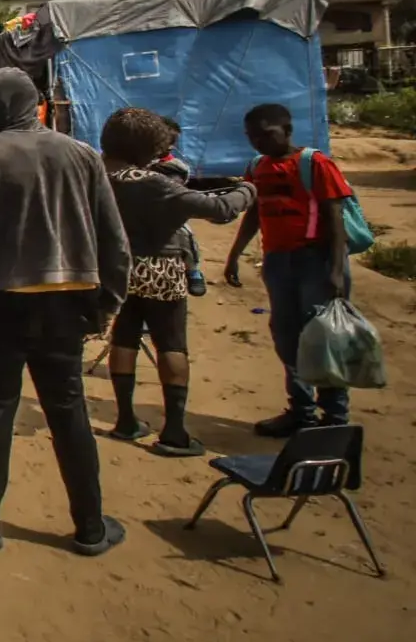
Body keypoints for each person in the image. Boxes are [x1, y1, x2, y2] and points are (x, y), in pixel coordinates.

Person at [0, 68, 131, 556]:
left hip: (1, 302)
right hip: (69, 300)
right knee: (69, 412)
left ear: (2, 109)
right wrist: (107, 303)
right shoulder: (83, 155)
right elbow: (115, 242)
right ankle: (90, 527)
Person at [99, 108, 255, 457]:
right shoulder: (151, 182)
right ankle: (174, 431)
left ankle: (126, 420)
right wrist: (247, 190)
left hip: (117, 268)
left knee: (123, 337)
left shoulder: (97, 174)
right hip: (161, 267)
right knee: (170, 343)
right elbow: (219, 211)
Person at [223, 103, 355, 436]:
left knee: (321, 339)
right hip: (278, 262)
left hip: (316, 260)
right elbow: (254, 214)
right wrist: (234, 254)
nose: (258, 142)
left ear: (287, 130)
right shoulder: (257, 168)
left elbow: (335, 221)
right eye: (252, 136)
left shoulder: (316, 165)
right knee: (287, 338)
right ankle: (301, 412)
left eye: (265, 134)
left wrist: (336, 271)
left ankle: (335, 419)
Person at [148, 116, 205, 296]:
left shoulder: (174, 166)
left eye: (173, 142)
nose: (171, 146)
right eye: (166, 141)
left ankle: (193, 269)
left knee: (185, 234)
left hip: (171, 212)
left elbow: (177, 185)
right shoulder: (143, 162)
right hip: (145, 211)